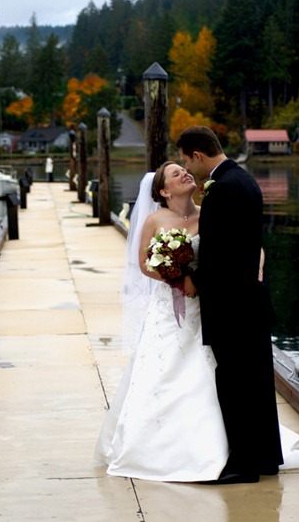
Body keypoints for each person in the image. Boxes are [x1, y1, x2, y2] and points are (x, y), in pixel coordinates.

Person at [94, 162, 230, 482]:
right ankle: (157, 448)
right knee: (163, 369)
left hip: (204, 308)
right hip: (168, 309)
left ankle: (219, 445)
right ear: (164, 191)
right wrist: (176, 278)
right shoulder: (155, 220)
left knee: (206, 369)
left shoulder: (209, 213)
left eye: (185, 169)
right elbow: (143, 264)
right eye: (175, 173)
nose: (185, 173)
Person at [176, 125, 284, 484]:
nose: (189, 170)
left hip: (231, 305)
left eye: (187, 162)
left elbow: (220, 255)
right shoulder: (244, 179)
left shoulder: (223, 189)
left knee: (235, 385)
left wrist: (194, 280)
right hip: (250, 299)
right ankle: (266, 457)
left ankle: (243, 464)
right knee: (256, 383)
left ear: (198, 154)